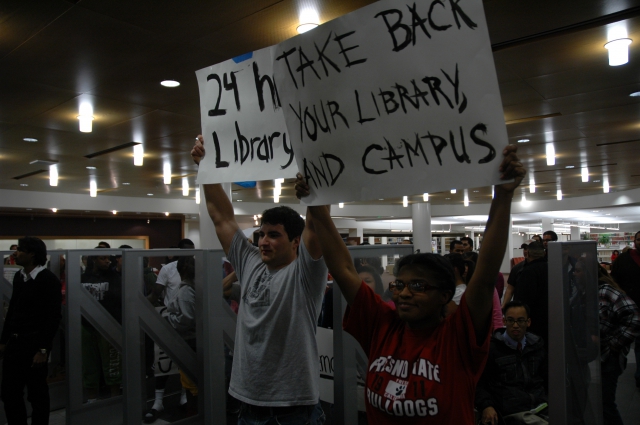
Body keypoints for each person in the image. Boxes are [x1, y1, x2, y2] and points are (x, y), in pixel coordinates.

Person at [295, 145, 525, 423]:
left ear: (445, 295)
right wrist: (317, 204)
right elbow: (343, 269)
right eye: (399, 285)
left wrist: (503, 196)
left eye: (418, 286)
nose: (404, 293)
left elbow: (485, 275)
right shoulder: (383, 325)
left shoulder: (457, 338)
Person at [192, 135, 328, 425]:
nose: (263, 241)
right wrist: (206, 167)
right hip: (248, 404)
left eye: (274, 235)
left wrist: (315, 191)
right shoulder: (251, 262)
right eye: (261, 234)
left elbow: (316, 228)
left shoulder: (305, 274)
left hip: (293, 410)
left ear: (295, 242)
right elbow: (222, 218)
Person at [0, 237, 62, 425]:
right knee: (9, 392)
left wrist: (43, 349)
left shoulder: (47, 280)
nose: (15, 253)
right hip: (15, 343)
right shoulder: (20, 277)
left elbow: (52, 318)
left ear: (32, 254)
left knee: (37, 394)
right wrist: (4, 340)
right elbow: (13, 310)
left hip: (34, 345)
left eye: (20, 250)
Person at [476, 301, 548, 425]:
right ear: (504, 322)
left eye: (520, 321)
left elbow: (548, 379)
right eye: (510, 320)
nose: (515, 325)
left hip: (541, 406)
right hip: (513, 412)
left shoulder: (536, 346)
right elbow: (479, 383)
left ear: (528, 322)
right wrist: (486, 406)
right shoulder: (492, 349)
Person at [595, 263, 640, 425]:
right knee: (602, 403)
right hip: (600, 356)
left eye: (578, 271)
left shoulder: (605, 291)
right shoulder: (587, 291)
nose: (574, 274)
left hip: (609, 357)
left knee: (606, 405)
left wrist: (615, 343)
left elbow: (634, 317)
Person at [81, 249, 122, 401]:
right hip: (86, 324)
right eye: (102, 258)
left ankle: (115, 398)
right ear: (93, 260)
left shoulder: (114, 277)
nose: (107, 261)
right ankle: (91, 399)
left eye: (108, 258)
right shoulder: (83, 277)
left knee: (112, 365)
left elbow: (119, 300)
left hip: (108, 325)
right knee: (88, 364)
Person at [165, 256, 199, 417]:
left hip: (189, 340)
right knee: (190, 381)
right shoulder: (189, 288)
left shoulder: (186, 291)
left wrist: (169, 319)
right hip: (191, 340)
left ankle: (195, 414)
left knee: (190, 382)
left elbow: (187, 319)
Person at [610, 230, 640, 388]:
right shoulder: (623, 260)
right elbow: (615, 282)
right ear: (634, 241)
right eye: (639, 239)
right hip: (627, 308)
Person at [512, 242, 549, 344]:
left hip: (533, 321)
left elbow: (522, 299)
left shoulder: (527, 272)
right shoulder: (552, 269)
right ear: (544, 253)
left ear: (527, 254)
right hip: (550, 319)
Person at [147, 239, 195, 307]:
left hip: (193, 309)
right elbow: (155, 294)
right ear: (179, 252)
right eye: (187, 253)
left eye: (192, 253)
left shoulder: (198, 267)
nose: (190, 256)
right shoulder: (167, 269)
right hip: (171, 310)